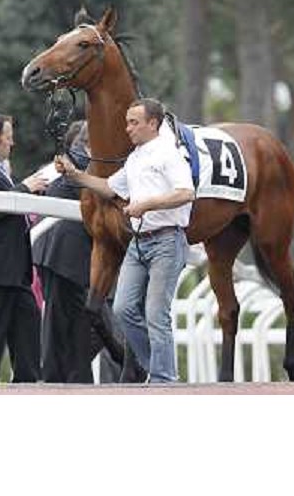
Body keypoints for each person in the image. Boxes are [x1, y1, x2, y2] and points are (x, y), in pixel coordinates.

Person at [55, 98, 195, 383]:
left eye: (134, 122)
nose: (127, 128)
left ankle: (163, 379)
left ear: (153, 124)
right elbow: (108, 187)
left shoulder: (169, 154)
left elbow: (186, 192)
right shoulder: (135, 158)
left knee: (156, 314)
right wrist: (74, 174)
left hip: (167, 242)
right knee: (122, 309)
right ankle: (157, 370)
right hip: (139, 243)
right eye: (127, 122)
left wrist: (146, 205)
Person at [0, 112, 48, 382]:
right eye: (9, 139)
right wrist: (25, 187)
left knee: (28, 318)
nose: (13, 144)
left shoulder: (0, 168)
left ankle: (28, 381)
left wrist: (31, 190)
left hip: (15, 265)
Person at [32, 120, 95, 383]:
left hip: (59, 252)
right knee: (67, 322)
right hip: (64, 254)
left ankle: (69, 377)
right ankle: (63, 378)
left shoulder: (74, 159)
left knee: (68, 321)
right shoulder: (81, 162)